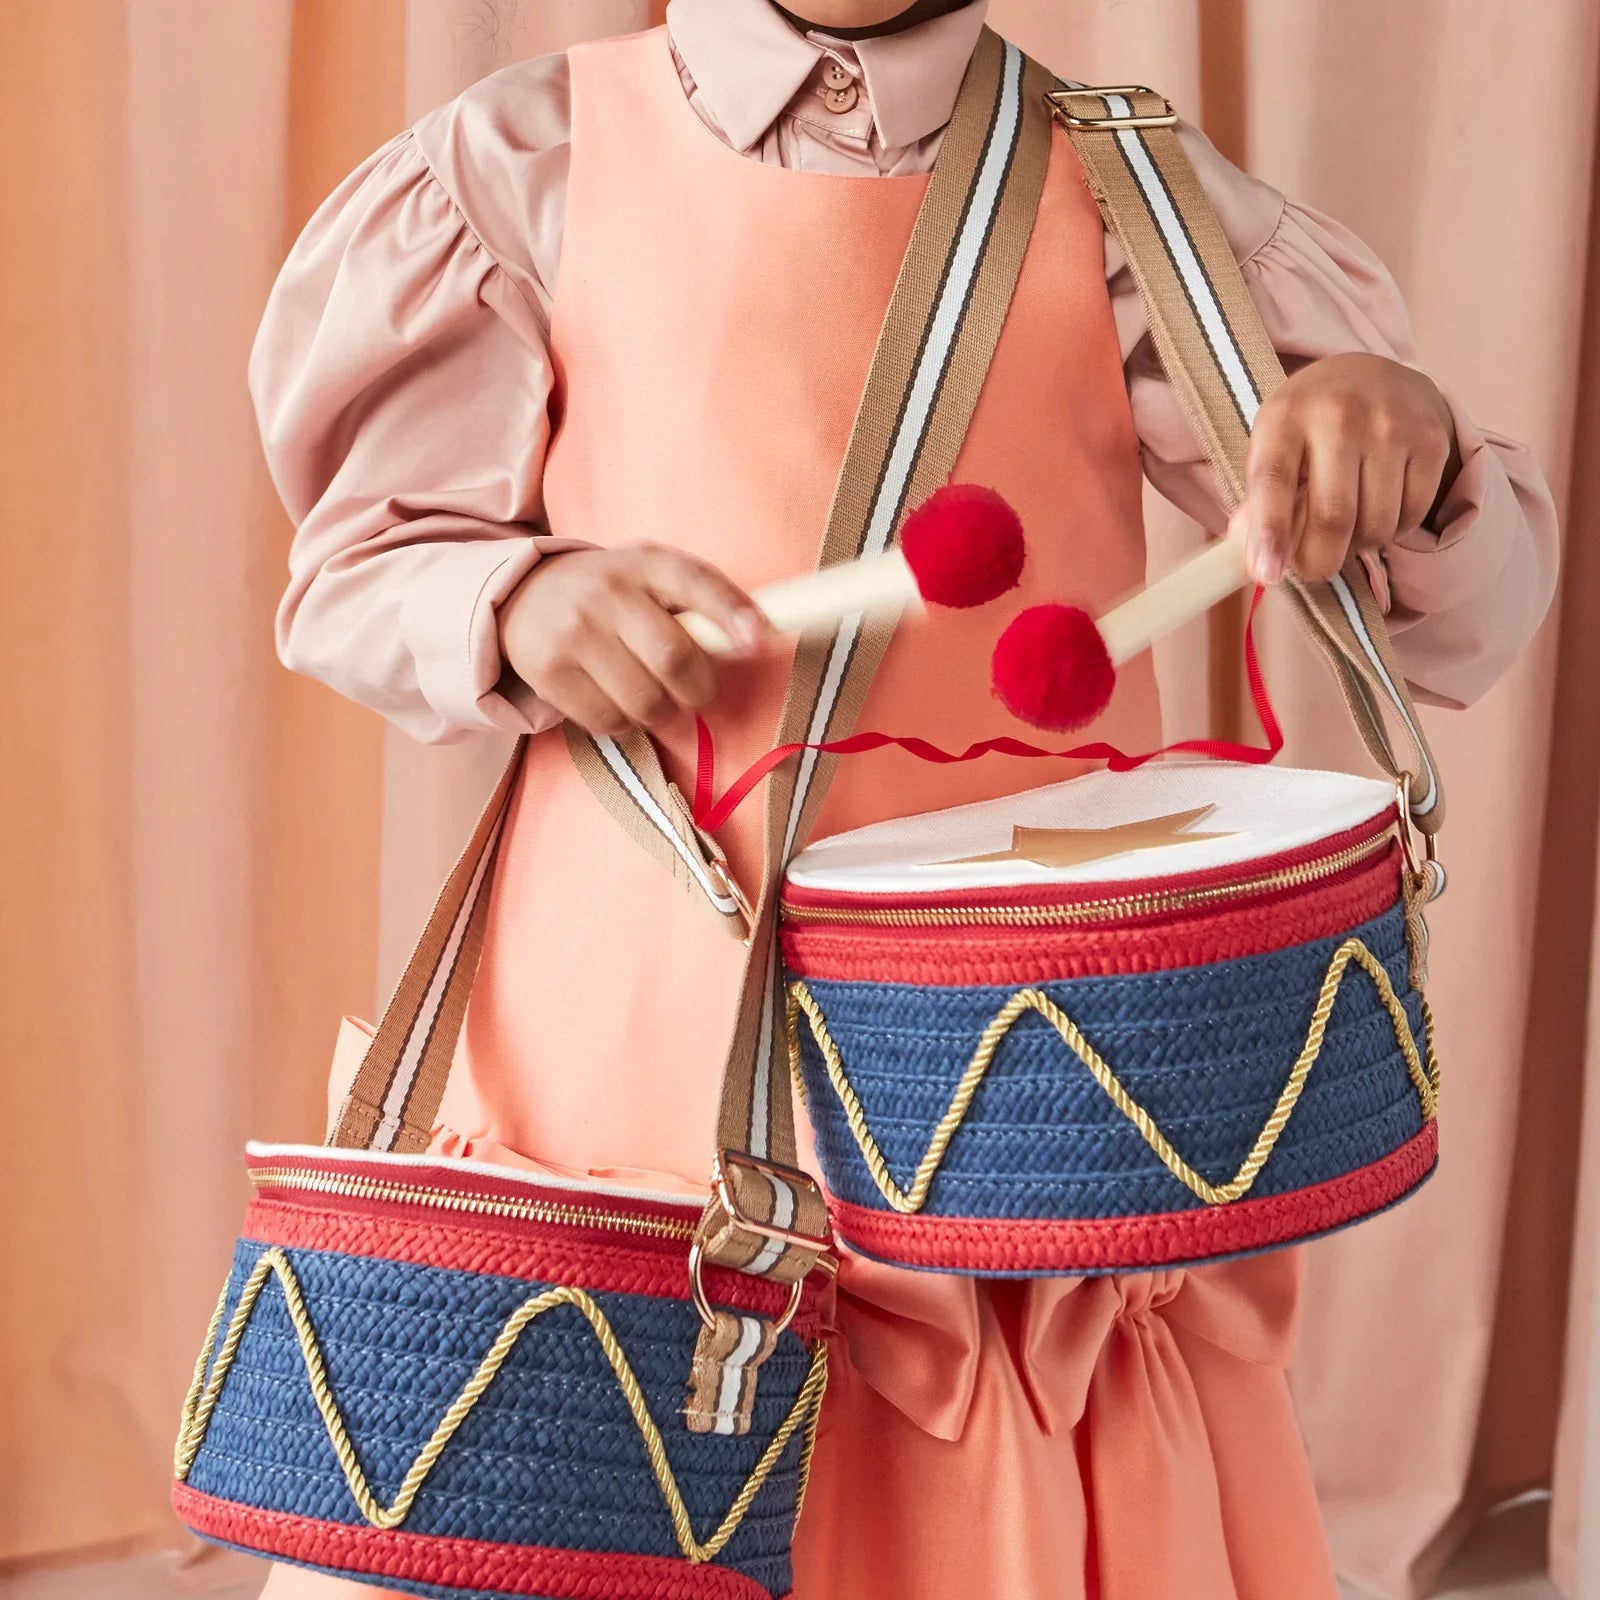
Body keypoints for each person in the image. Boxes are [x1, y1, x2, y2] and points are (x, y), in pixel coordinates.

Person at [249, 1, 1558, 1595]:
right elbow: (360, 567)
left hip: (1006, 1085)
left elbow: (1454, 617)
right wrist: (510, 604)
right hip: (635, 1065)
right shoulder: (528, 159)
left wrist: (1404, 451)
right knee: (605, 1488)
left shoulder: (1120, 182)